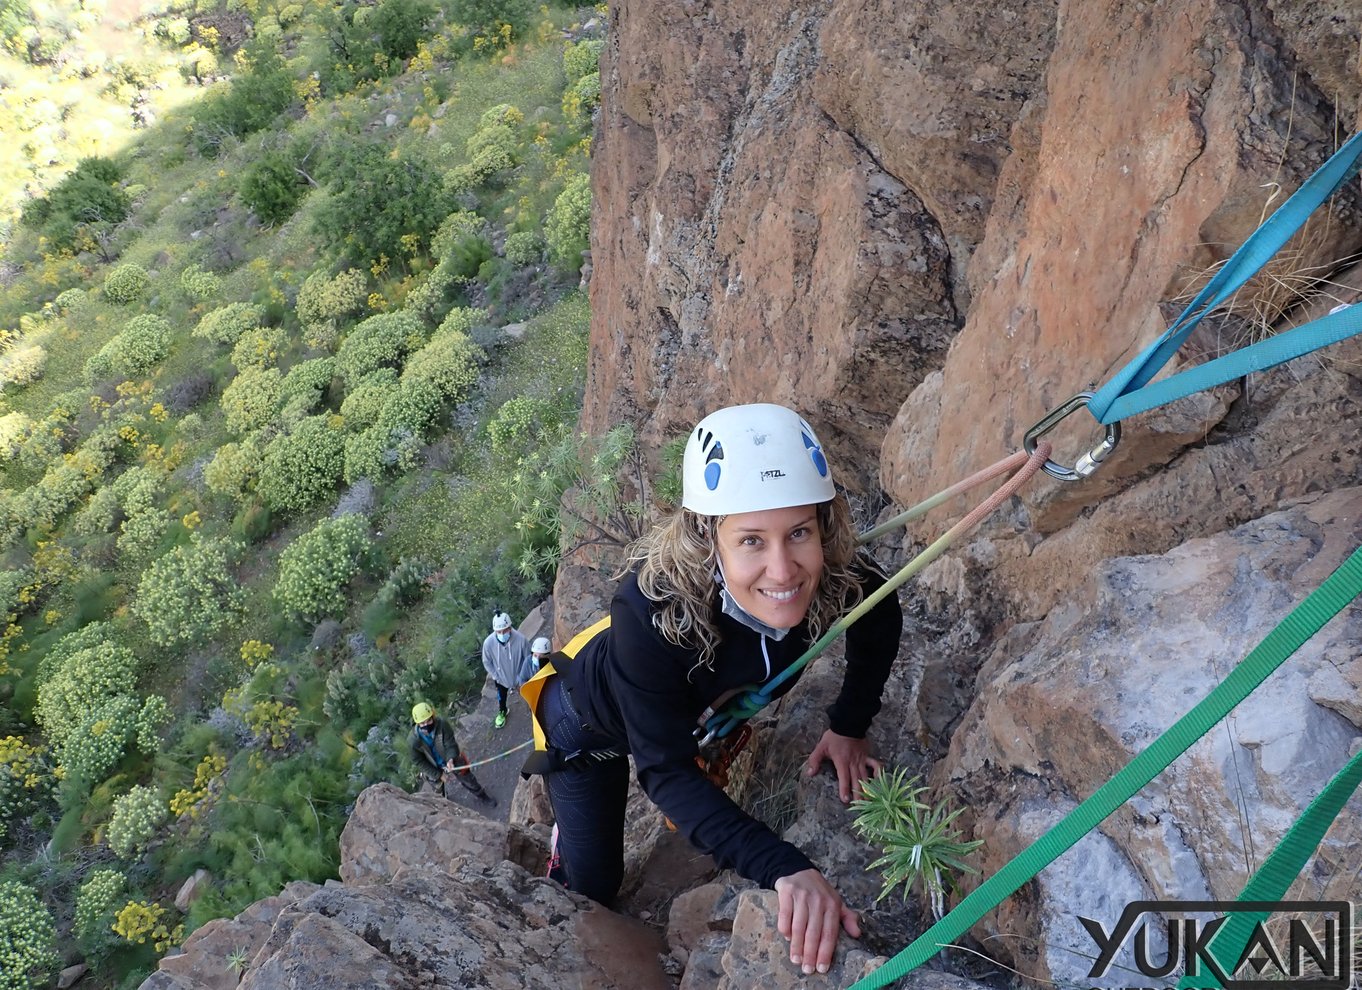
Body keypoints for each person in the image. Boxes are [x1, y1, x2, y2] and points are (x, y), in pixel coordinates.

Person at [521, 403, 902, 976]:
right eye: (751, 540)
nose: (783, 570)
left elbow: (881, 614)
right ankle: (564, 849)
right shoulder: (648, 616)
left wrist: (850, 724)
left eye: (798, 532)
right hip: (583, 723)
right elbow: (666, 773)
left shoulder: (834, 576)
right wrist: (784, 867)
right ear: (708, 535)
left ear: (822, 525)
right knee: (595, 885)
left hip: (677, 704)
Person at [408, 701, 497, 806]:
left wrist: (451, 759)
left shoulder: (441, 725)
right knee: (438, 790)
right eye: (422, 723)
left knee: (468, 779)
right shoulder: (413, 741)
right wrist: (438, 774)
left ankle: (483, 797)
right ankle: (445, 805)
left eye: (428, 721)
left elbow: (450, 743)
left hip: (449, 758)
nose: (426, 725)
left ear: (433, 716)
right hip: (432, 765)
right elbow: (419, 761)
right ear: (417, 724)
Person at [482, 612, 531, 729]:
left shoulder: (521, 640)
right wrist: (495, 676)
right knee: (501, 698)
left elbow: (528, 658)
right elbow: (486, 662)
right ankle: (503, 711)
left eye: (505, 630)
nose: (502, 634)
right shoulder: (488, 643)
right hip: (501, 679)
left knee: (528, 693)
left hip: (519, 677)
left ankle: (533, 706)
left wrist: (523, 675)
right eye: (499, 632)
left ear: (510, 627)